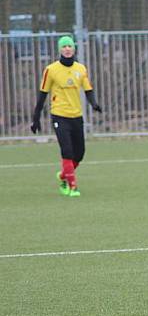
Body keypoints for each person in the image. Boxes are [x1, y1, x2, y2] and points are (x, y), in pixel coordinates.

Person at [31, 35, 102, 197]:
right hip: (59, 115)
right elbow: (42, 94)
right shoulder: (51, 70)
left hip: (76, 116)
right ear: (59, 50)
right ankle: (72, 186)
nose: (67, 49)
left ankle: (63, 175)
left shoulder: (80, 69)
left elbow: (88, 90)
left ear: (74, 48)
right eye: (64, 46)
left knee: (79, 154)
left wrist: (94, 104)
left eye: (69, 46)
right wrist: (36, 118)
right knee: (67, 151)